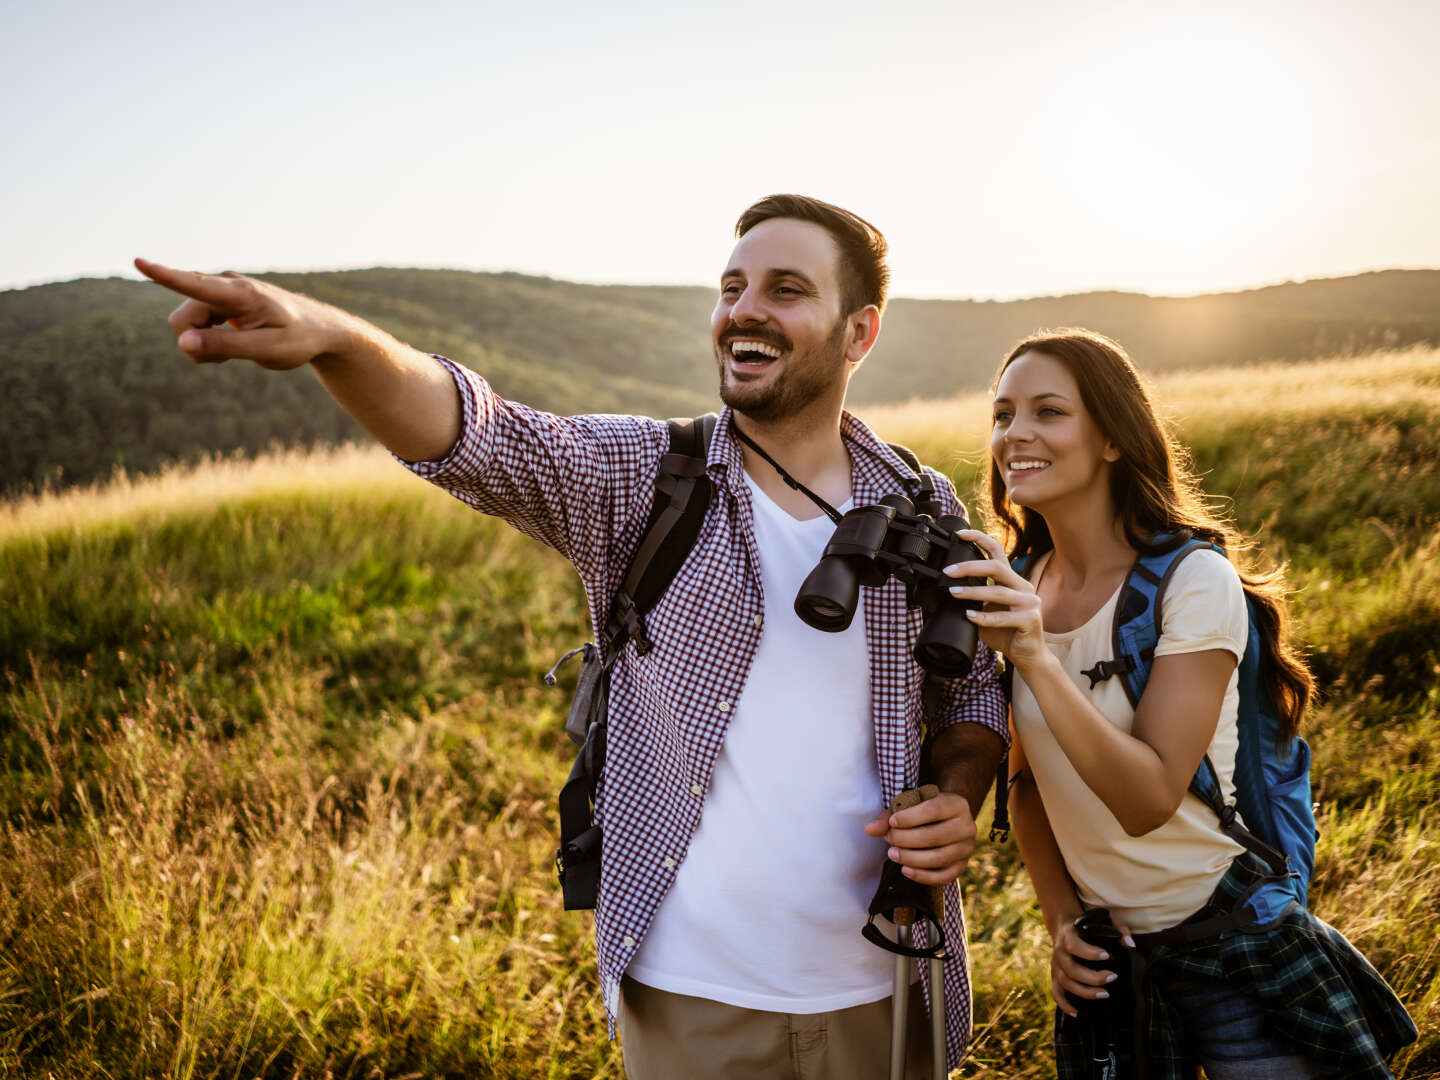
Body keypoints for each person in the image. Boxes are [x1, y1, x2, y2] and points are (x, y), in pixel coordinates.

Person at [135, 194, 1008, 1078]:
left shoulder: (922, 501)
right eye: (732, 286)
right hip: (694, 1000)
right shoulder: (646, 481)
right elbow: (477, 435)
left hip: (888, 985)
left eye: (785, 290)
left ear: (858, 334)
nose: (744, 310)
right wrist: (335, 339)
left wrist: (960, 792)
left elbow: (973, 692)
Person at [942, 329, 1416, 1079]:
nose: (1014, 434)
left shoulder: (1192, 581)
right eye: (1003, 415)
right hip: (1116, 966)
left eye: (1048, 412)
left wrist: (1033, 655)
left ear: (1112, 440)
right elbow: (1027, 785)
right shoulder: (1018, 579)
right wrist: (1063, 921)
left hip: (1231, 939)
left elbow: (1148, 798)